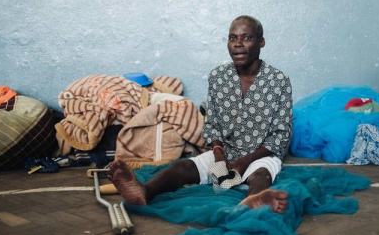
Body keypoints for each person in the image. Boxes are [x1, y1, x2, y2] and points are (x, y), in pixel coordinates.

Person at [109, 15, 292, 214]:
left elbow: (281, 135)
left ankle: (252, 201)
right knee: (185, 167)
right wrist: (219, 156)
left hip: (259, 155)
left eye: (246, 38)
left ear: (261, 42)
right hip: (226, 153)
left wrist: (245, 161)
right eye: (232, 38)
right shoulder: (218, 77)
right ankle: (145, 191)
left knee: (261, 175)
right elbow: (212, 125)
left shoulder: (278, 81)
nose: (238, 44)